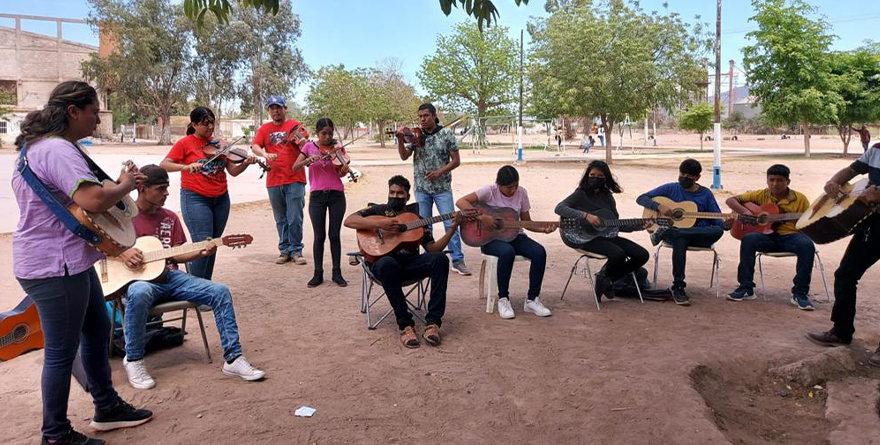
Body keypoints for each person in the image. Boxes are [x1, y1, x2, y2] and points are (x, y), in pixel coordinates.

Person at [12, 81, 152, 445]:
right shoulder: (57, 150)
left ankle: (106, 407)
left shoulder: (37, 148)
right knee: (60, 352)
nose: (96, 121)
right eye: (93, 113)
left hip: (68, 261)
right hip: (54, 266)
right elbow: (93, 199)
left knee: (96, 328)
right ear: (73, 112)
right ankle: (55, 434)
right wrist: (124, 185)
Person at [117, 165, 265, 390]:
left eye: (168, 188)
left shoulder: (169, 218)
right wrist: (122, 253)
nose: (167, 193)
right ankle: (134, 359)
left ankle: (233, 359)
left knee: (220, 291)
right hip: (139, 281)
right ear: (142, 188)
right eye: (161, 188)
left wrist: (201, 251)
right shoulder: (124, 218)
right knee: (138, 292)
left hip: (171, 277)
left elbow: (177, 252)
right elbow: (103, 247)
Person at [343, 175, 460, 348]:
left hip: (410, 264)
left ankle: (433, 323)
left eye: (400, 193)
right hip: (382, 266)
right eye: (392, 192)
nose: (395, 196)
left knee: (440, 259)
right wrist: (382, 223)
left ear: (408, 196)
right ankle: (405, 325)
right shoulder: (377, 211)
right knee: (387, 263)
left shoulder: (417, 219)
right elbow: (349, 221)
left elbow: (432, 249)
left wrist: (452, 229)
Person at [160, 107, 257, 280]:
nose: (210, 127)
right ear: (195, 124)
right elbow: (164, 164)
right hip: (195, 198)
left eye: (212, 123)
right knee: (203, 245)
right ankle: (196, 289)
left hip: (221, 199)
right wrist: (185, 167)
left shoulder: (220, 144)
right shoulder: (184, 144)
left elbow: (233, 171)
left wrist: (246, 163)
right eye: (205, 124)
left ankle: (205, 287)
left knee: (213, 245)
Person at [806, 142, 880, 368]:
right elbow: (851, 171)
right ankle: (841, 331)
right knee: (846, 274)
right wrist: (834, 182)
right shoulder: (876, 149)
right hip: (874, 224)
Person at [456, 166, 555, 319]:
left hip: (515, 235)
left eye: (516, 185)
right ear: (499, 184)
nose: (513, 190)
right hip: (489, 239)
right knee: (507, 252)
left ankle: (532, 299)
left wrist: (543, 230)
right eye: (509, 187)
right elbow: (461, 202)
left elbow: (526, 222)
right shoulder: (489, 191)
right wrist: (482, 217)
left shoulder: (521, 193)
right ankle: (503, 299)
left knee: (539, 252)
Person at [636, 159, 727, 306]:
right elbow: (641, 198)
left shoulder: (705, 194)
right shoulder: (671, 188)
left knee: (716, 230)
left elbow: (717, 220)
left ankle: (666, 232)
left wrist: (726, 224)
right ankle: (678, 286)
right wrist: (658, 206)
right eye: (682, 174)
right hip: (677, 238)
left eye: (689, 176)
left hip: (700, 235)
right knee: (680, 239)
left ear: (697, 177)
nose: (684, 177)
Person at [725, 164, 816, 310]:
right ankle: (746, 288)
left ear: (788, 182)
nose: (775, 184)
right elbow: (731, 201)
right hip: (765, 237)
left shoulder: (800, 199)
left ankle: (800, 293)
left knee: (806, 245)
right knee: (748, 239)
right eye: (771, 180)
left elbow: (807, 223)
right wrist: (745, 212)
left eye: (779, 180)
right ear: (767, 181)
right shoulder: (761, 195)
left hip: (790, 237)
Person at [555, 161, 650, 300]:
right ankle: (605, 281)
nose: (595, 178)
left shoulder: (608, 197)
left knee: (642, 254)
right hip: (581, 236)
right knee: (618, 254)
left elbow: (615, 224)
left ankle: (606, 279)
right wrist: (585, 216)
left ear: (606, 179)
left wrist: (641, 225)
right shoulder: (580, 194)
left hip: (604, 235)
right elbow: (559, 208)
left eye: (600, 176)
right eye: (592, 175)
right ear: (587, 176)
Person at [395, 103, 470, 276]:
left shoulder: (446, 134)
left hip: (442, 188)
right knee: (422, 225)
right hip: (421, 188)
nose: (422, 119)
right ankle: (423, 260)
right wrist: (400, 140)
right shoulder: (416, 136)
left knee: (450, 221)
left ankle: (457, 260)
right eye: (420, 116)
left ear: (434, 116)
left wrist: (439, 172)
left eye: (426, 116)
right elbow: (404, 156)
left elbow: (456, 161)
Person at [250, 95, 309, 265]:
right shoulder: (264, 128)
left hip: (295, 177)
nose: (275, 111)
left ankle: (296, 250)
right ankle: (284, 250)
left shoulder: (294, 125)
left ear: (285, 109)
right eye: (272, 108)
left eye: (278, 107)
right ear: (268, 111)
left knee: (295, 217)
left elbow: (303, 144)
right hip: (274, 179)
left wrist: (300, 141)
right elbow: (255, 146)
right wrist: (265, 154)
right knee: (280, 218)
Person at [293, 118, 349, 288]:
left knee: (334, 235)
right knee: (319, 236)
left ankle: (337, 272)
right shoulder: (309, 147)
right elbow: (295, 167)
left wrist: (344, 170)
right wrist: (307, 161)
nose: (327, 137)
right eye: (324, 133)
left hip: (337, 195)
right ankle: (318, 274)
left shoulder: (337, 148)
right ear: (317, 133)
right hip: (317, 196)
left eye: (330, 133)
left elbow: (340, 173)